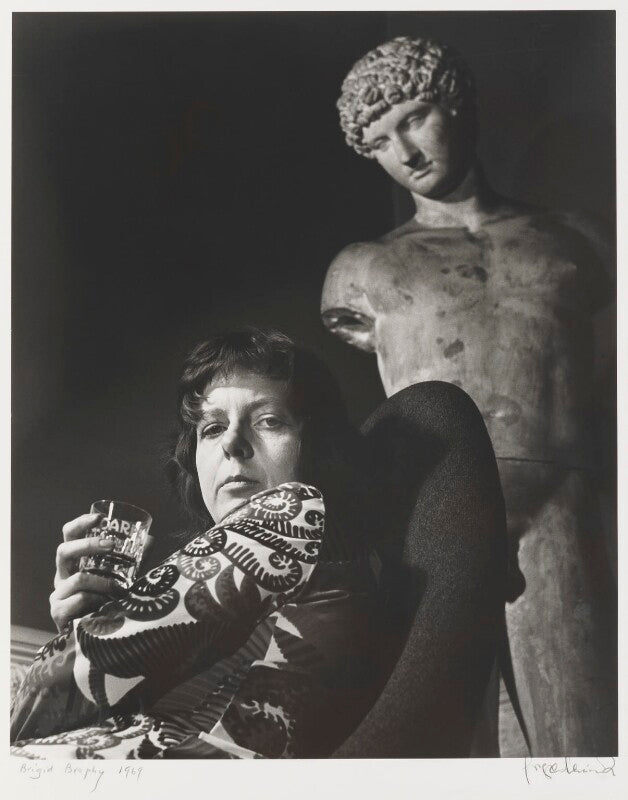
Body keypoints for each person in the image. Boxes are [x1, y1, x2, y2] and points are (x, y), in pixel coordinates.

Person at [11, 327, 506, 758]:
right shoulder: (250, 608)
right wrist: (86, 627)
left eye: (269, 420)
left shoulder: (296, 513)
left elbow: (41, 702)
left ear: (319, 449)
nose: (232, 443)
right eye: (211, 428)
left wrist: (77, 646)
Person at [321, 35, 616, 755]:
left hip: (567, 505)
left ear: (457, 106)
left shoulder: (580, 242)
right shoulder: (364, 268)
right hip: (440, 513)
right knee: (448, 743)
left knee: (582, 742)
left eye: (415, 119)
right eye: (380, 142)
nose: (406, 153)